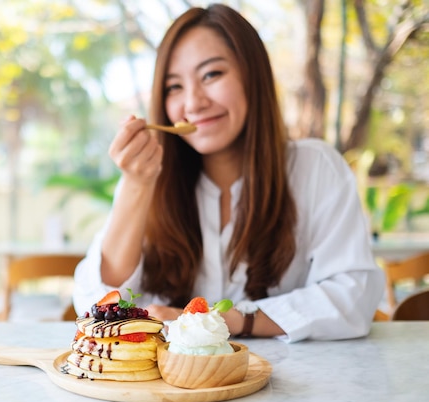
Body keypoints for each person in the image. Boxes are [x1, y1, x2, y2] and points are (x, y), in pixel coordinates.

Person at [72, 3, 385, 342]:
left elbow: (353, 296)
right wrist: (136, 184)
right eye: (174, 87)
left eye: (211, 75)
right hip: (172, 389)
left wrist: (226, 320)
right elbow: (95, 304)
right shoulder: (148, 177)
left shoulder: (315, 168)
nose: (193, 103)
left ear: (253, 77)